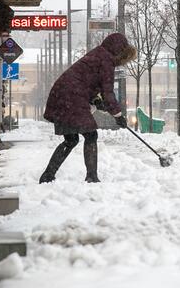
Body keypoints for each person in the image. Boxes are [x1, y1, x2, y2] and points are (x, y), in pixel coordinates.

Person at [39, 33, 136, 183]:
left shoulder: (98, 54)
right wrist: (118, 116)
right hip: (71, 97)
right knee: (90, 135)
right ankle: (91, 176)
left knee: (71, 139)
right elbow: (108, 92)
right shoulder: (106, 60)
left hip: (62, 94)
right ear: (120, 51)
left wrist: (96, 100)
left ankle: (48, 175)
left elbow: (86, 81)